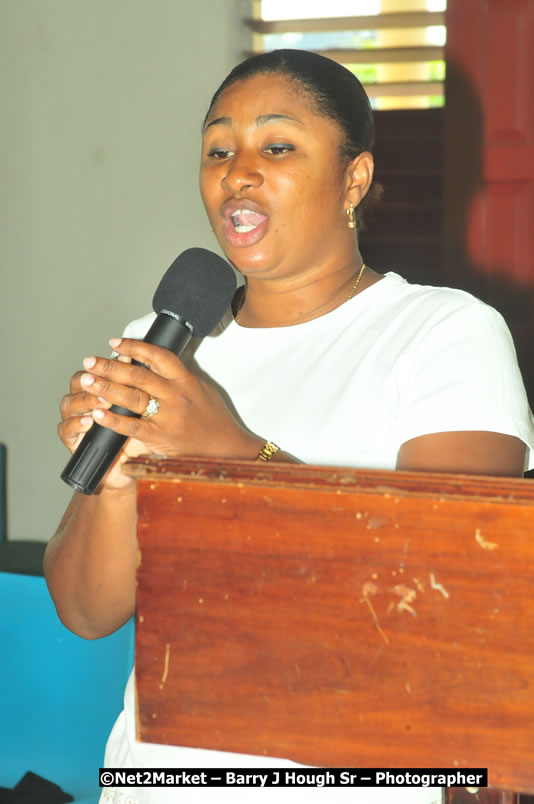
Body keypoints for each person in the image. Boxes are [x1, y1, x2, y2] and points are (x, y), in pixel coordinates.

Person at [45, 49, 534, 804]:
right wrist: (117, 485)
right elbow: (84, 609)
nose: (237, 172)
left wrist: (231, 452)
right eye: (218, 149)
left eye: (276, 146)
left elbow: (446, 608)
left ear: (354, 179)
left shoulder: (444, 334)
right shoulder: (164, 342)